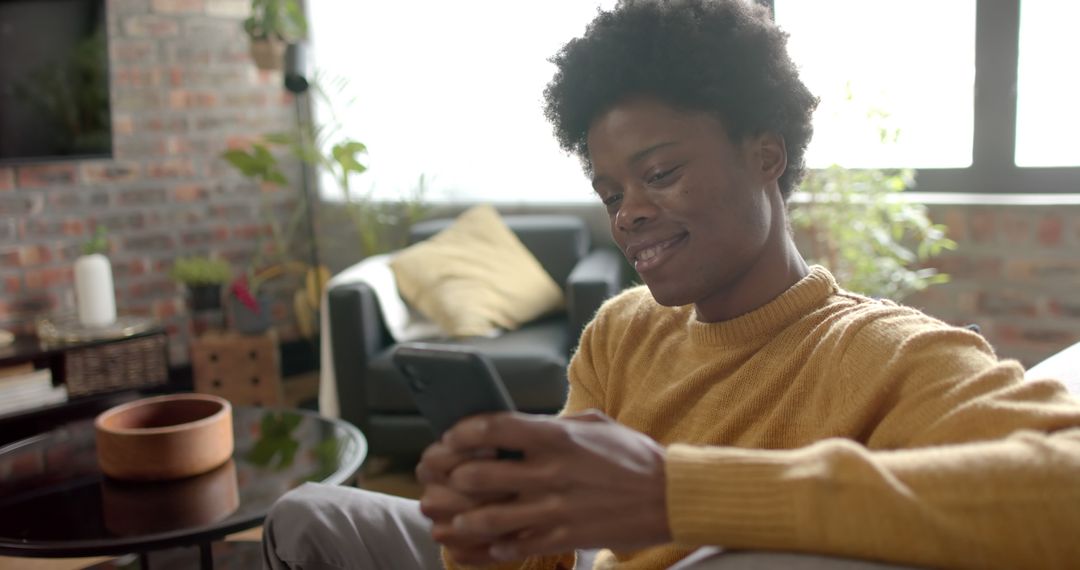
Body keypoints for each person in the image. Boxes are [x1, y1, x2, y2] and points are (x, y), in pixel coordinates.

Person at [261, 1, 1080, 569]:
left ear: (767, 153)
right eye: (612, 192)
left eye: (661, 173)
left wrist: (674, 496)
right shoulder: (623, 332)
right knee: (309, 516)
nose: (629, 215)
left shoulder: (886, 353)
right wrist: (489, 531)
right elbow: (550, 552)